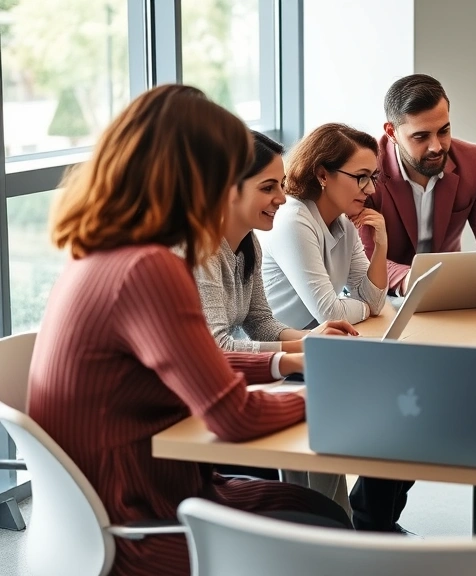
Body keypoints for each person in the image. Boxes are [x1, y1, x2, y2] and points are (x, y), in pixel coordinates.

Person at [28, 85, 353, 576]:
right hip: (138, 522)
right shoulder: (149, 267)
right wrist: (337, 395)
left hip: (125, 502)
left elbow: (192, 357)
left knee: (319, 511)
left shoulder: (99, 253)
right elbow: (233, 417)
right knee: (324, 526)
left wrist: (287, 363)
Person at [193, 129, 357, 514]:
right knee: (316, 429)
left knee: (322, 434)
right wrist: (303, 354)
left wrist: (312, 339)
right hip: (199, 414)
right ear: (227, 189)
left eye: (281, 185)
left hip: (227, 389)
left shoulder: (247, 242)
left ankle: (341, 532)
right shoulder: (203, 251)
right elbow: (218, 347)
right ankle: (334, 531)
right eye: (269, 187)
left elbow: (262, 322)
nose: (282, 198)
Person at [359, 73, 476, 300]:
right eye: (421, 136)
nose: (436, 146)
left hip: (452, 296)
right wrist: (409, 279)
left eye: (444, 131)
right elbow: (362, 257)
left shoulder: (472, 161)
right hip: (387, 299)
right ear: (391, 132)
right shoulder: (366, 171)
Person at [259, 123, 388, 330]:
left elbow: (375, 302)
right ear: (323, 175)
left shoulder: (345, 225)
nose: (371, 189)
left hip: (312, 340)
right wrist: (365, 308)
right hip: (274, 351)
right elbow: (330, 314)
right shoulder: (294, 219)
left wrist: (381, 245)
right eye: (361, 177)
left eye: (373, 177)